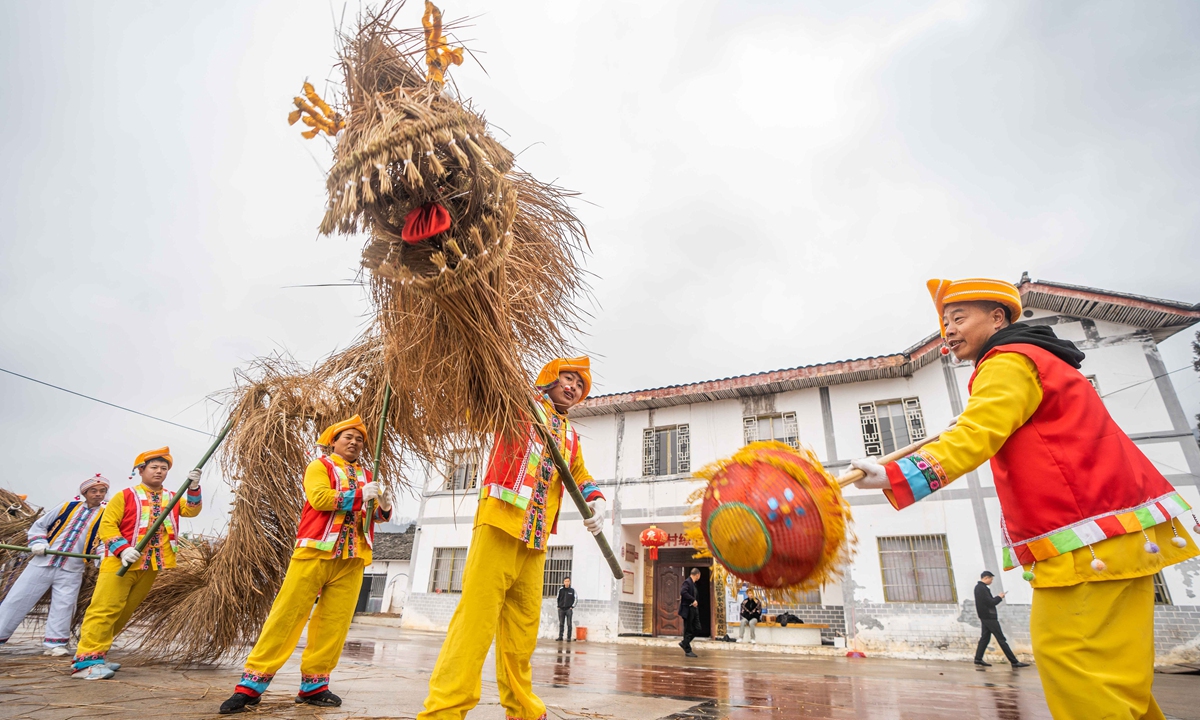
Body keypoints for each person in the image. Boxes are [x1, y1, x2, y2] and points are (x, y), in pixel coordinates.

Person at [851, 277, 1198, 719]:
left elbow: (978, 433)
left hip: (1085, 535)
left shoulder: (1006, 361)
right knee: (1116, 676)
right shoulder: (1042, 361)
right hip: (1120, 530)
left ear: (998, 317)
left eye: (959, 318)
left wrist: (894, 474)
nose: (948, 331)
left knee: (1074, 664)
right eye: (944, 322)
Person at [417, 357, 606, 720]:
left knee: (522, 631)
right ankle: (444, 710)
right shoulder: (517, 404)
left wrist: (596, 501)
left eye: (580, 386)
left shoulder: (569, 434)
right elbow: (481, 396)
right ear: (549, 378)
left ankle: (522, 708)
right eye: (568, 378)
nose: (573, 387)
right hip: (500, 521)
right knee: (475, 622)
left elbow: (579, 473)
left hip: (536, 538)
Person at [219, 415, 392, 714]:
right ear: (333, 442)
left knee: (334, 624)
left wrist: (384, 506)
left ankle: (315, 686)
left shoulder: (368, 474)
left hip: (352, 557)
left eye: (359, 439)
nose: (353, 442)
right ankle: (251, 686)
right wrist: (360, 495)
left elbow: (370, 515)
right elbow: (320, 498)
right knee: (287, 616)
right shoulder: (319, 466)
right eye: (347, 437)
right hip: (315, 551)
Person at [72, 448, 202, 680]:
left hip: (152, 564)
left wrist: (193, 488)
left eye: (163, 468)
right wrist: (123, 549)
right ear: (141, 470)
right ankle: (85, 662)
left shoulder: (173, 496)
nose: (159, 472)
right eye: (154, 467)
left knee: (124, 611)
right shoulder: (125, 495)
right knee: (104, 608)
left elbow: (191, 511)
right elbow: (107, 527)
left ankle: (98, 654)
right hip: (120, 563)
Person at [0, 475, 109, 655]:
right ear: (85, 493)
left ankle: (55, 643)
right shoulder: (67, 507)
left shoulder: (105, 515)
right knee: (18, 598)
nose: (98, 494)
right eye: (94, 491)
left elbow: (103, 541)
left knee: (65, 603)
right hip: (43, 562)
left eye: (102, 491)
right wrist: (38, 543)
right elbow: (39, 526)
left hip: (72, 567)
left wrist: (102, 556)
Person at [973, 571, 1025, 667]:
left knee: (985, 638)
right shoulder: (982, 588)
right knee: (1001, 639)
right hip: (989, 617)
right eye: (991, 579)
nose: (991, 581)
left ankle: (978, 659)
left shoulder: (979, 588)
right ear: (986, 578)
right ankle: (1014, 662)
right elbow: (990, 602)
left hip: (985, 617)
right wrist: (999, 597)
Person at [679, 568, 702, 658]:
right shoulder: (687, 582)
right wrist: (693, 600)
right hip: (688, 609)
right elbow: (683, 592)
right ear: (697, 575)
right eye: (699, 576)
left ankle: (684, 643)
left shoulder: (693, 584)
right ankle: (688, 650)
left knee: (698, 628)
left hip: (694, 609)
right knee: (688, 629)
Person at [556, 576, 576, 642]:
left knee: (569, 624)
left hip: (568, 609)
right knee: (561, 623)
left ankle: (568, 637)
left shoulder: (572, 590)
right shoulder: (561, 590)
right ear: (563, 582)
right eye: (565, 581)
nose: (567, 583)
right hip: (561, 609)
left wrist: (572, 607)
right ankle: (560, 636)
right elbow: (557, 598)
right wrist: (558, 606)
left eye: (568, 581)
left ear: (569, 582)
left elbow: (576, 599)